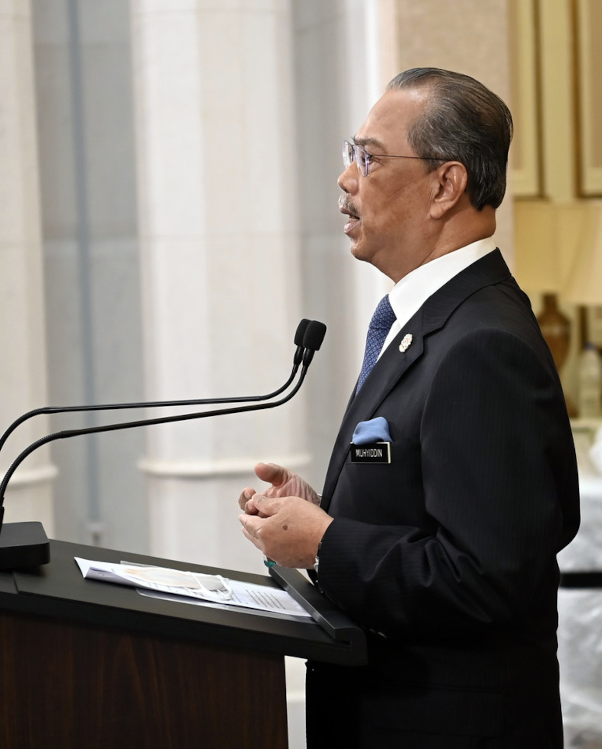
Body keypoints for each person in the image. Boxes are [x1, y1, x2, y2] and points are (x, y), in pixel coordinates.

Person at [238, 67, 580, 748]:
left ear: (445, 186)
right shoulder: (429, 318)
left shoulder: (482, 344)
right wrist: (327, 513)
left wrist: (326, 541)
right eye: (350, 154)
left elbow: (485, 577)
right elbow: (430, 508)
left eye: (368, 157)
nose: (346, 179)